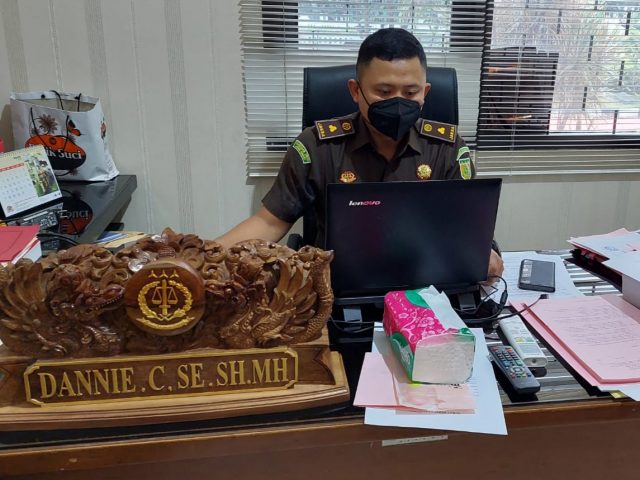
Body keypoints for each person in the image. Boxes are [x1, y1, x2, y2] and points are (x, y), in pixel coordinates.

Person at [216, 27, 504, 280]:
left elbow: (464, 230)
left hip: (425, 286)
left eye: (410, 93)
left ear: (425, 92)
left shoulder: (448, 148)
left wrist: (482, 256)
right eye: (384, 91)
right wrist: (204, 256)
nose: (398, 103)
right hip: (338, 292)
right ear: (356, 91)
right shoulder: (316, 147)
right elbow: (269, 222)